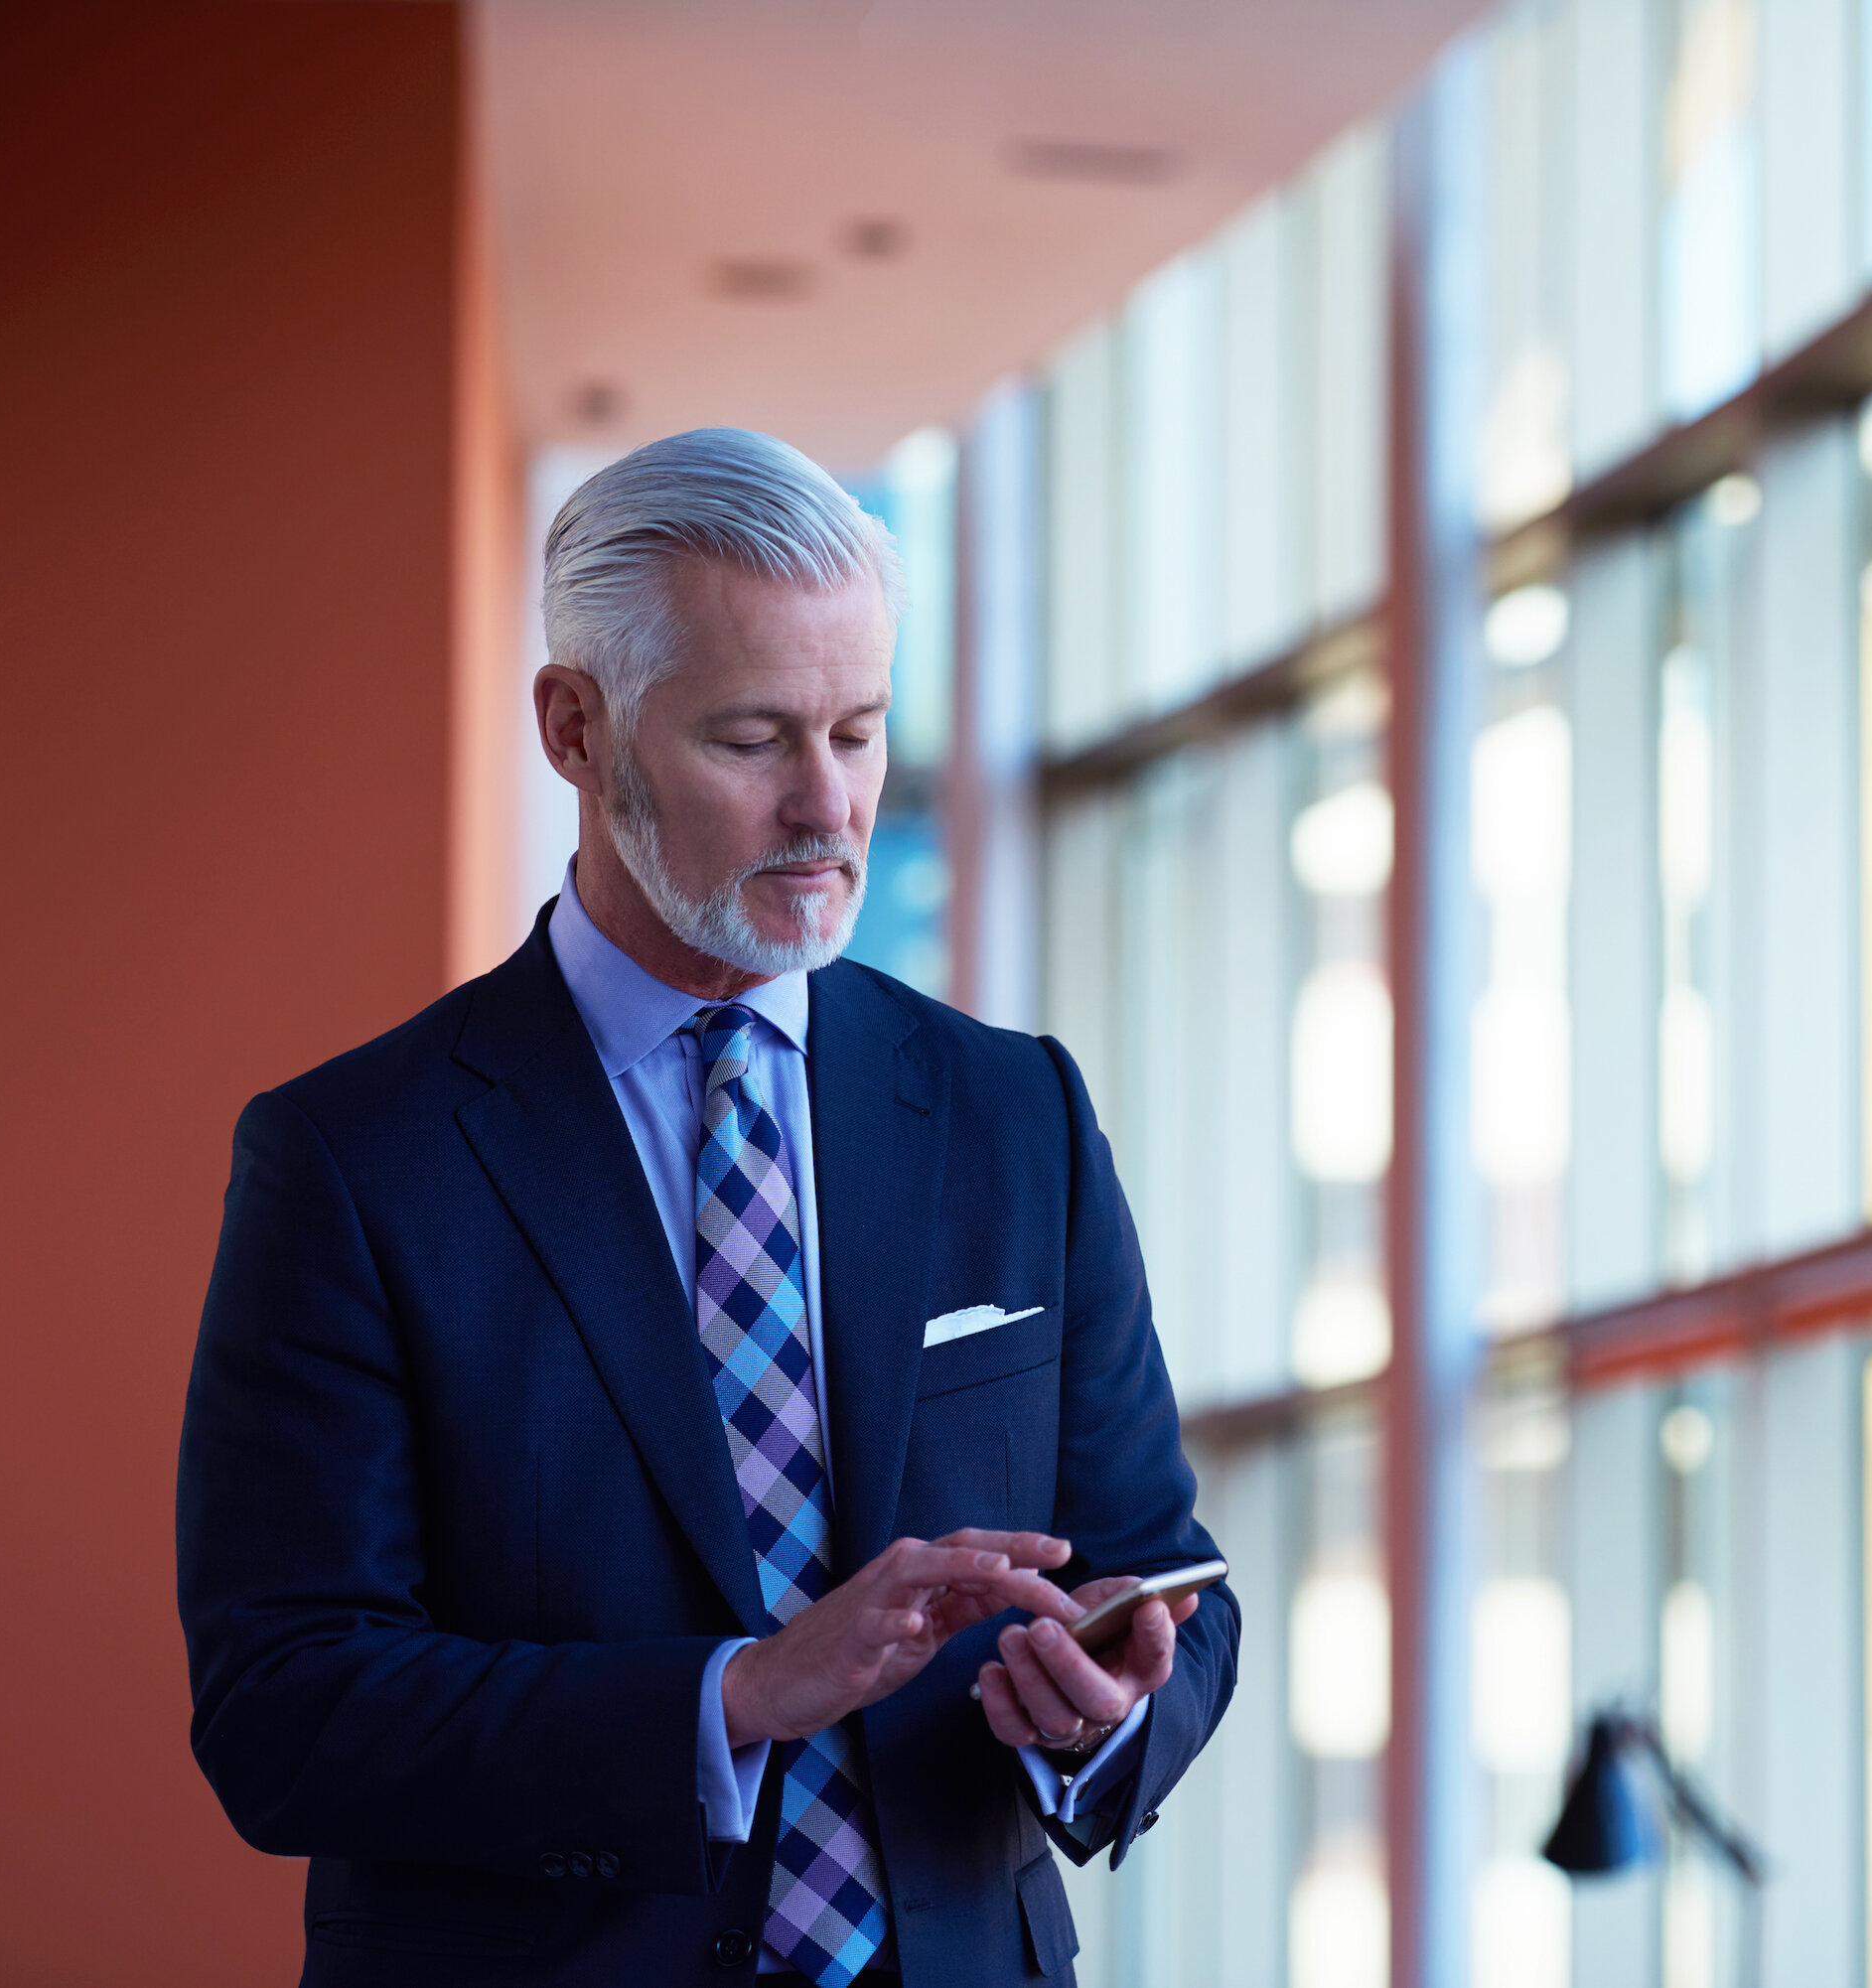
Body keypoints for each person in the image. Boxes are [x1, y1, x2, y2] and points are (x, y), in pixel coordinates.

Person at [176, 428, 1235, 1987]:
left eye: (862, 735)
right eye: (753, 740)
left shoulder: (1020, 1116)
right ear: (576, 729)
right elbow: (285, 1705)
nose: (828, 808)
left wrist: (1111, 1705)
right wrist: (739, 1693)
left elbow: (1165, 1573)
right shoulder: (352, 1159)